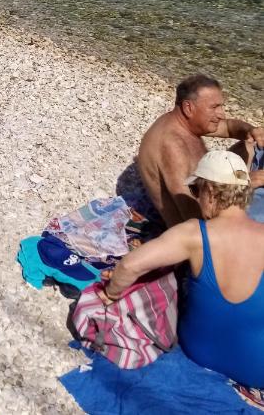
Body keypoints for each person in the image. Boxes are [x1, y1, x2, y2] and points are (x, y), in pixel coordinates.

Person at [100, 150, 264, 389]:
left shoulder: (194, 234)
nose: (196, 199)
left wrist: (111, 293)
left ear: (210, 191)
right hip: (256, 370)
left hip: (199, 353)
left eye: (196, 190)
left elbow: (129, 265)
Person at [137, 74, 264, 226]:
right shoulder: (172, 146)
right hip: (207, 223)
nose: (221, 113)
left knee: (251, 144)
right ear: (188, 108)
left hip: (214, 191)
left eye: (221, 106)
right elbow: (192, 212)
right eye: (214, 107)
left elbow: (229, 127)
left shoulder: (186, 122)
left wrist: (252, 131)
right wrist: (245, 182)